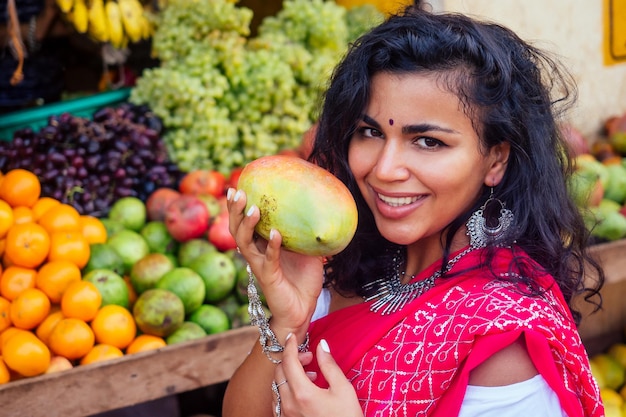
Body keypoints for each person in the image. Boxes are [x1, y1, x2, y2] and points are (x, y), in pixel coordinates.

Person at [222, 3, 605, 417]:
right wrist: (288, 322)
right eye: (369, 132)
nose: (384, 170)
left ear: (495, 160)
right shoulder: (350, 270)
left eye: (427, 141)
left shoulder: (503, 342)